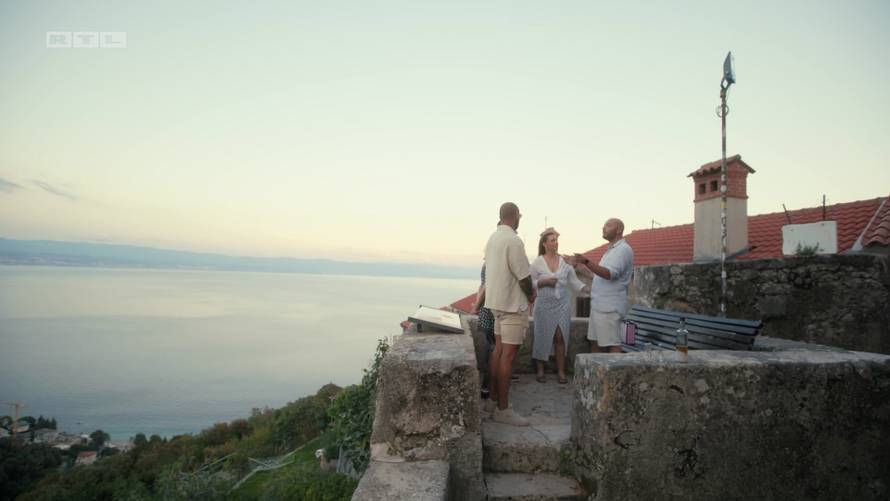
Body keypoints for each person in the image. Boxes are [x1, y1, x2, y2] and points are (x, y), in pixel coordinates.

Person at [483, 202, 535, 426]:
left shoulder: (493, 238)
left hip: (496, 304)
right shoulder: (513, 241)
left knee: (498, 351)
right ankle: (503, 410)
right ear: (515, 217)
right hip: (513, 306)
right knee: (508, 357)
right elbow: (523, 275)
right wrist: (531, 294)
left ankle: (493, 400)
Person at [530, 228, 589, 383]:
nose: (556, 243)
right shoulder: (537, 262)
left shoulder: (565, 262)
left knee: (560, 337)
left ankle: (561, 371)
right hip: (543, 305)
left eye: (556, 240)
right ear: (544, 244)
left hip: (562, 304)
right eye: (552, 240)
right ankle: (540, 369)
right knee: (542, 336)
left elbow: (574, 282)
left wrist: (588, 290)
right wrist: (543, 282)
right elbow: (530, 284)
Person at [574, 218, 634, 353]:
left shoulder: (623, 250)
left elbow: (610, 274)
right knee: (595, 343)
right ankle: (596, 374)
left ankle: (615, 374)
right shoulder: (610, 251)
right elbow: (600, 277)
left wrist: (586, 261)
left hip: (610, 307)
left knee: (613, 344)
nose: (603, 228)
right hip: (599, 307)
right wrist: (580, 266)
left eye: (608, 225)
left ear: (619, 230)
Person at [471, 263, 495, 399]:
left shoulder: (488, 264)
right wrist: (476, 306)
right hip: (491, 310)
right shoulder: (492, 264)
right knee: (492, 348)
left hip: (487, 310)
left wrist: (476, 306)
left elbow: (482, 287)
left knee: (490, 348)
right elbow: (485, 287)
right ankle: (487, 384)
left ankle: (487, 383)